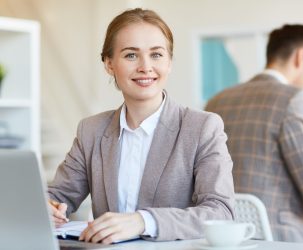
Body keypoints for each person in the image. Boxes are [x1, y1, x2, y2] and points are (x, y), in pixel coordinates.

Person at [47, 8, 234, 244]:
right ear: (109, 64)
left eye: (156, 55)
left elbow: (221, 212)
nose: (145, 67)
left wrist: (143, 221)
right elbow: (58, 195)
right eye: (131, 55)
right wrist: (46, 206)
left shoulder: (202, 128)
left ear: (169, 63)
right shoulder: (91, 130)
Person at [205, 24, 303, 249]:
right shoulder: (294, 100)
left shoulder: (217, 101)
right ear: (301, 57)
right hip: (283, 239)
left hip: (230, 238)